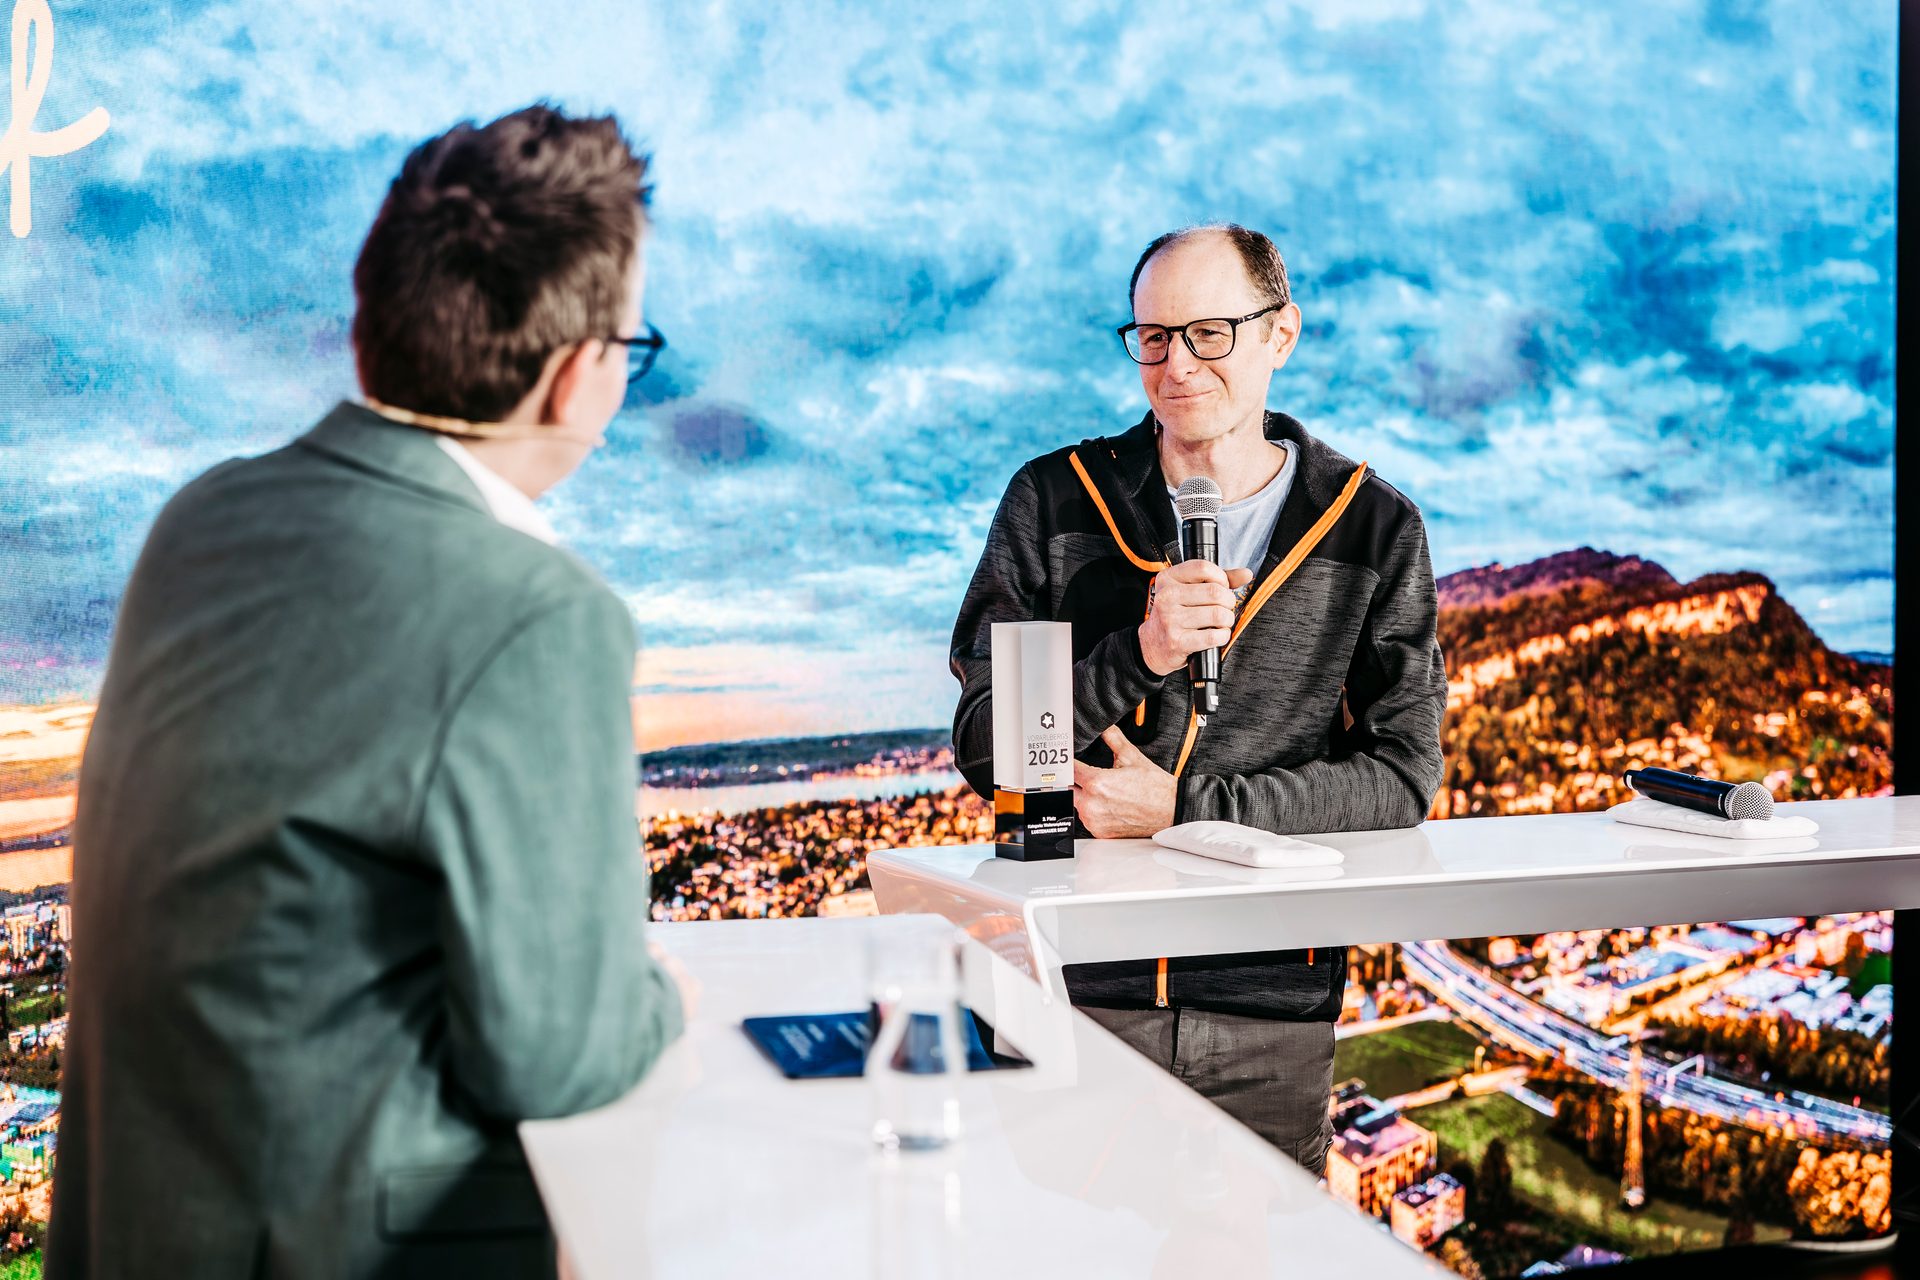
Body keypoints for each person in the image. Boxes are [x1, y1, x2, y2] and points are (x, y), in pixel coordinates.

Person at [48, 105, 682, 1278]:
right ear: (579, 375)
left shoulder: (205, 517)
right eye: (631, 348)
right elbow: (560, 1049)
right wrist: (658, 991)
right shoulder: (536, 610)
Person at [950, 224, 1446, 1175]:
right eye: (1152, 336)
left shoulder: (1374, 528)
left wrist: (1185, 816)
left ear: (1280, 334)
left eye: (1210, 332)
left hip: (1267, 1013)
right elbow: (986, 748)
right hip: (1070, 993)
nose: (1176, 365)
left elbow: (1400, 780)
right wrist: (1139, 653)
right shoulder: (1054, 502)